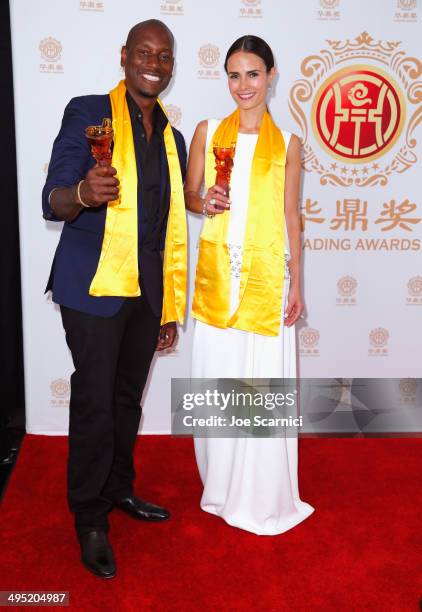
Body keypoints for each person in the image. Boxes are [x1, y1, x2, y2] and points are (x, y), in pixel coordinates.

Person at [42, 19, 187, 578]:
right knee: (96, 400)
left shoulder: (172, 139)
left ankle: (120, 490)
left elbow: (166, 227)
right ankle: (89, 517)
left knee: (127, 397)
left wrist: (166, 305)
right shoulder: (87, 112)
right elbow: (51, 201)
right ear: (125, 56)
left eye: (165, 55)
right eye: (145, 52)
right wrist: (82, 192)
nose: (155, 63)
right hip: (93, 285)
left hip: (146, 290)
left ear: (172, 66)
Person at [184, 35, 314, 535]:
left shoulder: (290, 144)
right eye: (235, 75)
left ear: (272, 75)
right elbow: (191, 196)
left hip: (268, 278)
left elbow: (291, 217)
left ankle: (260, 493)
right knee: (218, 379)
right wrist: (205, 202)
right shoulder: (207, 130)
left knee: (260, 385)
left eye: (253, 74)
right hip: (219, 275)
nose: (244, 85)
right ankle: (219, 487)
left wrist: (297, 284)